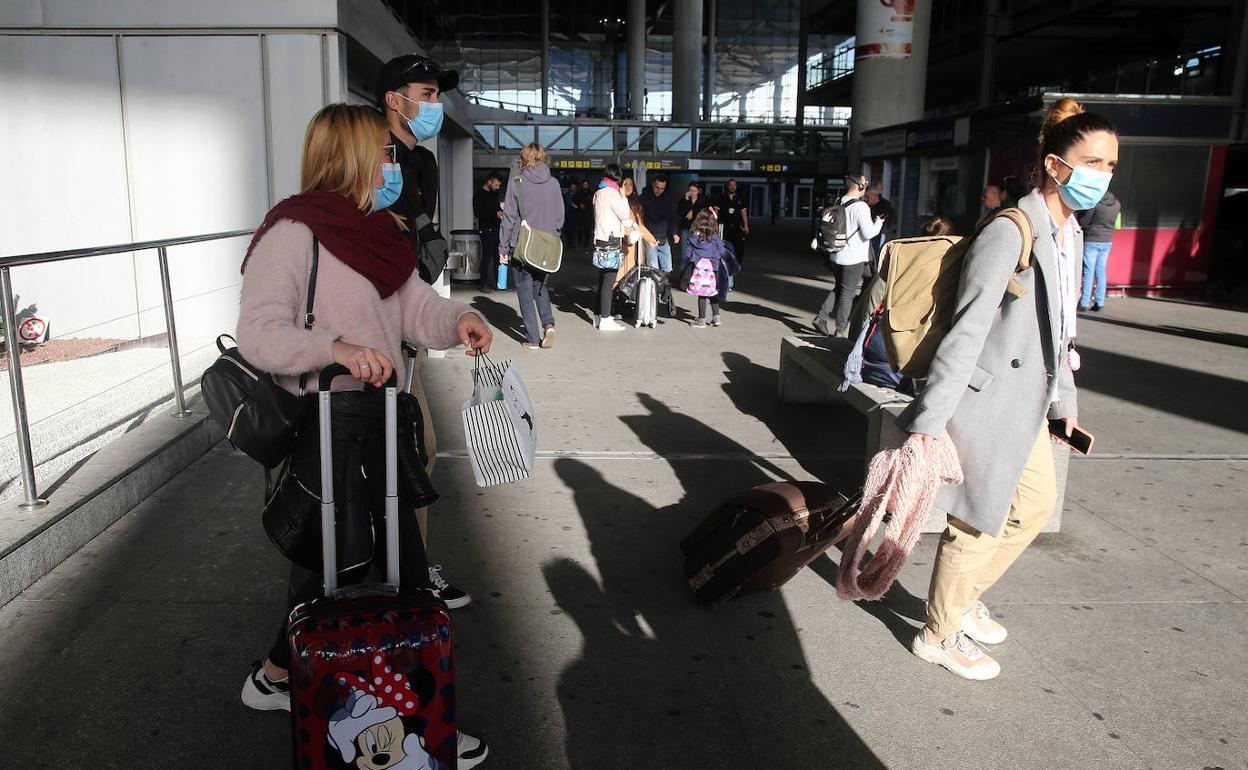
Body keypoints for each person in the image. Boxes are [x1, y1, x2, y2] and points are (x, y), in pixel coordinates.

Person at [234, 103, 493, 767]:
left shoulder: (378, 232)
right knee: (351, 567)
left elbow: (415, 309)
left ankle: (310, 685)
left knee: (374, 566)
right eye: (381, 152)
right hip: (325, 425)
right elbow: (260, 334)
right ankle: (404, 722)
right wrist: (338, 348)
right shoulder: (295, 231)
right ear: (346, 154)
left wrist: (458, 319)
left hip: (382, 420)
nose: (392, 164)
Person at [903, 97, 1115, 681]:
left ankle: (961, 601)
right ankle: (938, 635)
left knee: (1033, 508)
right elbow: (966, 331)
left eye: (1111, 166)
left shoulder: (1067, 233)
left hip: (1030, 404)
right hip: (984, 400)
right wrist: (927, 424)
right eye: (1092, 162)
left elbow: (1058, 333)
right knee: (974, 522)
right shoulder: (1010, 230)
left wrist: (1064, 408)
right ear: (1054, 164)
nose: (1102, 175)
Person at [376, 53, 473, 608]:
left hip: (404, 331)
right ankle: (399, 576)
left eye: (438, 95)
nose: (436, 105)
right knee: (406, 454)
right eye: (428, 93)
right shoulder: (371, 160)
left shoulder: (425, 165)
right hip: (365, 339)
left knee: (419, 451)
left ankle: (409, 571)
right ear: (396, 98)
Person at [499, 143, 563, 350]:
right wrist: (553, 235)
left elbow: (508, 217)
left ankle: (533, 339)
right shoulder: (553, 183)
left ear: (523, 159)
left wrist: (503, 248)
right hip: (546, 245)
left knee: (525, 292)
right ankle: (549, 324)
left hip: (521, 246)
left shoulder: (517, 182)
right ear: (543, 158)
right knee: (540, 286)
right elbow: (560, 216)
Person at [812, 170, 884, 337]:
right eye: (865, 184)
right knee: (847, 293)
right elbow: (868, 233)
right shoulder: (861, 206)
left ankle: (821, 317)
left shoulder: (840, 201)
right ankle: (840, 330)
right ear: (859, 186)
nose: (867, 187)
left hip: (836, 255)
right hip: (853, 258)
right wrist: (878, 223)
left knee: (839, 288)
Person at [591, 164, 635, 332]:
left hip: (601, 240)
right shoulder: (612, 193)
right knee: (609, 282)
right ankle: (605, 319)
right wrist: (623, 196)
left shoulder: (599, 192)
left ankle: (598, 315)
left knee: (602, 279)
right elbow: (624, 214)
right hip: (611, 241)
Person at [682, 208, 739, 328]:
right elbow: (721, 250)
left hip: (698, 269)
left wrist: (695, 259)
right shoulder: (715, 236)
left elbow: (687, 251)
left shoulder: (693, 236)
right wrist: (714, 258)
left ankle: (701, 320)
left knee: (702, 294)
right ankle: (716, 317)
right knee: (713, 291)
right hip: (714, 268)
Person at [1076, 189, 1121, 311]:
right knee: (1101, 271)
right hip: (1107, 241)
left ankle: (1084, 302)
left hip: (1092, 239)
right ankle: (1099, 302)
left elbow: (1084, 222)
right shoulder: (1117, 203)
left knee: (1088, 271)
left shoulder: (1095, 203)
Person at [619, 176, 658, 280]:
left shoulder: (635, 205)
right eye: (625, 184)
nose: (627, 187)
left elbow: (640, 225)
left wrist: (651, 240)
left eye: (630, 184)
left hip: (635, 246)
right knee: (619, 276)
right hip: (621, 245)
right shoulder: (617, 202)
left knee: (632, 276)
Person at [639, 174, 680, 273]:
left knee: (668, 267)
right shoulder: (643, 198)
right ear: (653, 184)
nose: (659, 190)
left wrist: (674, 232)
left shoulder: (667, 198)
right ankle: (655, 287)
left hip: (663, 237)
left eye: (662, 188)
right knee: (653, 268)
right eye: (657, 187)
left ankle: (663, 287)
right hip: (650, 237)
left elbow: (672, 216)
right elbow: (639, 218)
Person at [474, 171, 504, 292]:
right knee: (487, 257)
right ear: (490, 181)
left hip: (496, 228)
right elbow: (478, 213)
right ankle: (483, 284)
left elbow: (497, 208)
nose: (497, 187)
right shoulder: (479, 195)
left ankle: (498, 283)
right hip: (485, 229)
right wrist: (495, 214)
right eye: (496, 185)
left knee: (497, 257)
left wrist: (501, 212)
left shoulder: (494, 194)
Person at [714, 178, 750, 267]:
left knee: (739, 246)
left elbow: (743, 212)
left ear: (736, 186)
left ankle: (737, 264)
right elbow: (716, 211)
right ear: (728, 186)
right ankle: (723, 263)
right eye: (731, 185)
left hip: (737, 226)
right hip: (724, 226)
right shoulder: (721, 197)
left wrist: (746, 225)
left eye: (734, 185)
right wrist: (714, 224)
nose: (732, 187)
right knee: (723, 245)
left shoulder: (741, 198)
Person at [676, 181, 710, 270]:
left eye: (694, 190)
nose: (692, 192)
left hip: (698, 230)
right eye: (690, 190)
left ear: (698, 191)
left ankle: (695, 275)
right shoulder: (684, 199)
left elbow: (704, 212)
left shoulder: (703, 199)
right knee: (684, 253)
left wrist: (693, 211)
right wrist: (685, 199)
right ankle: (682, 275)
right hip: (686, 229)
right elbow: (679, 211)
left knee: (697, 252)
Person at [865, 181, 895, 264]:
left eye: (868, 197)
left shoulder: (885, 205)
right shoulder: (867, 205)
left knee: (876, 254)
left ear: (874, 195)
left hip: (880, 234)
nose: (867, 199)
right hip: (871, 234)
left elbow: (886, 220)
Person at [576, 179, 595, 249]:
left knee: (588, 232)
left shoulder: (591, 193)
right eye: (584, 184)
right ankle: (579, 243)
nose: (585, 186)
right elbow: (575, 202)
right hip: (580, 215)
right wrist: (579, 205)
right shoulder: (578, 193)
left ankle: (586, 246)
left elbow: (593, 203)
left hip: (588, 215)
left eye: (586, 184)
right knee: (580, 231)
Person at [562, 179, 580, 248]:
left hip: (575, 215)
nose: (573, 189)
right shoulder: (566, 195)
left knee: (573, 230)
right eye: (572, 187)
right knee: (566, 230)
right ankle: (568, 242)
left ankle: (571, 243)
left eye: (574, 188)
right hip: (567, 215)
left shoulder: (578, 195)